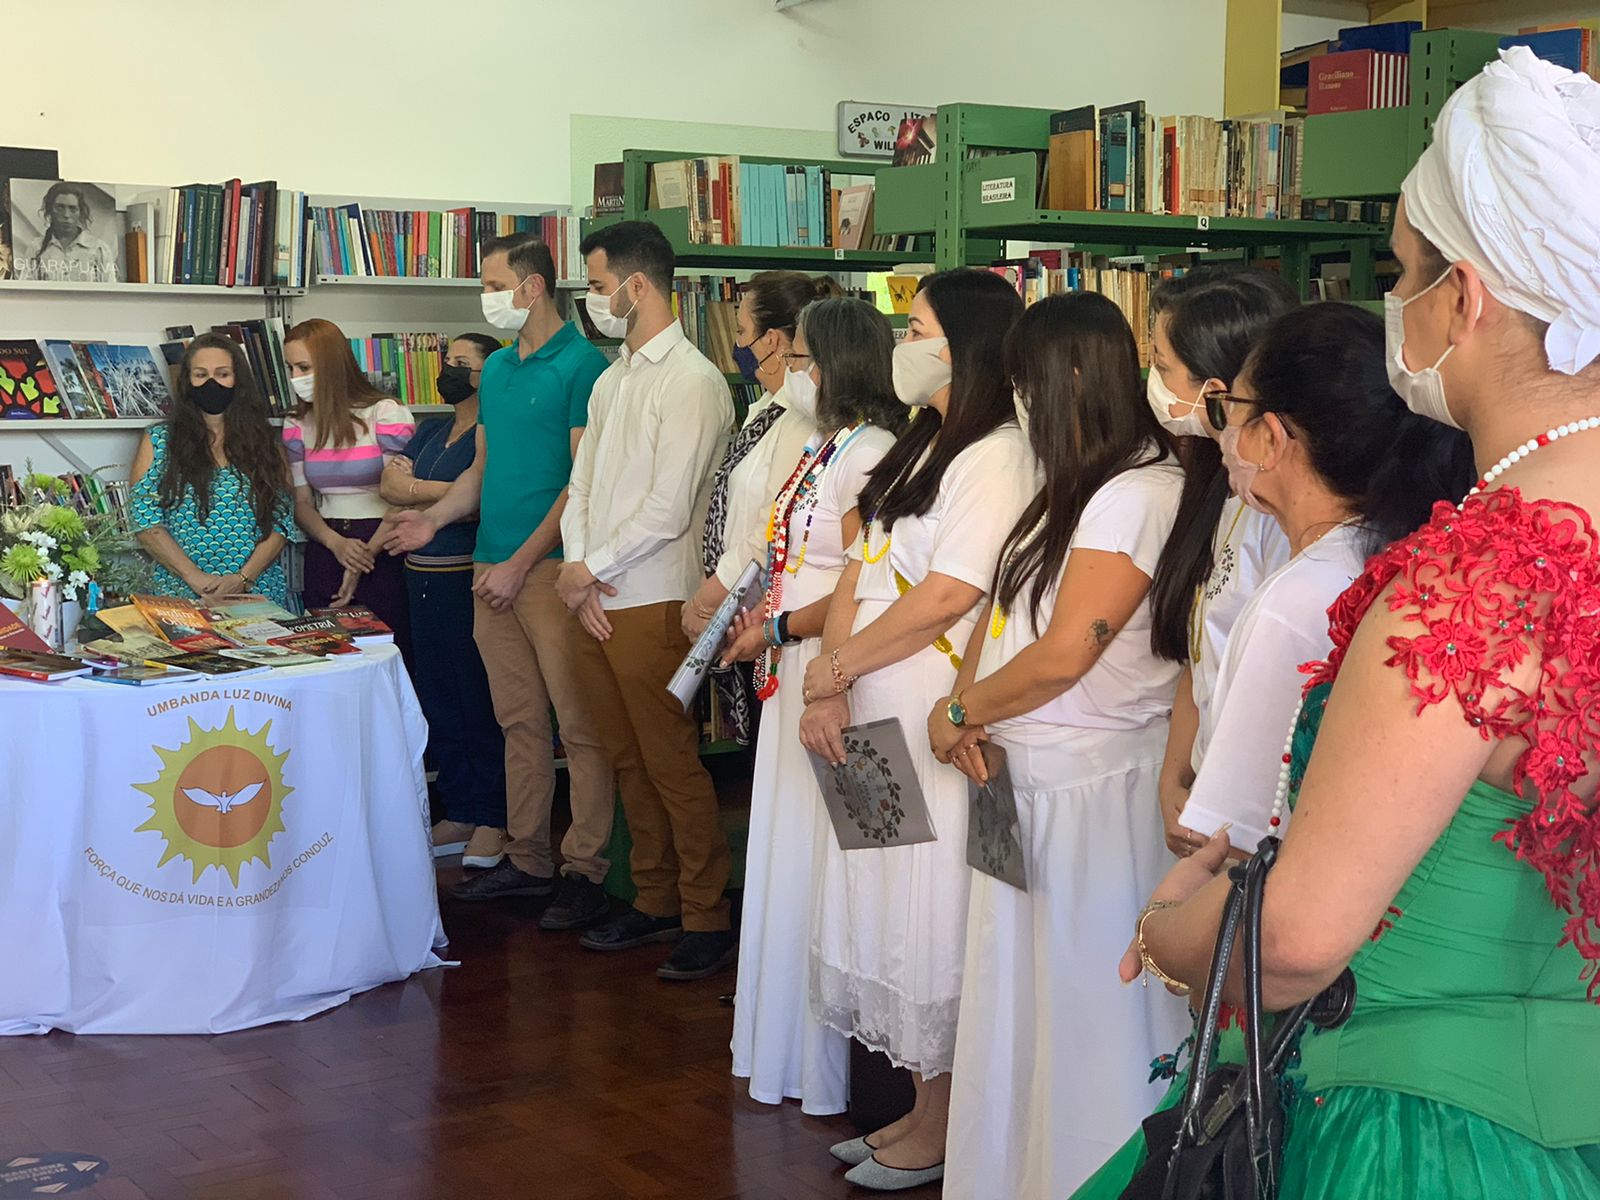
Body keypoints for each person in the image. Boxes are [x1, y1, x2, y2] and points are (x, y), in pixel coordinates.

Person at [1081, 49, 1600, 1199]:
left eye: (1405, 271)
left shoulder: (1475, 573)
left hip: (1426, 1125)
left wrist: (1169, 936)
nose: (1394, 301)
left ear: (1465, 298)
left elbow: (1296, 939)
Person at [920, 292, 1189, 1198]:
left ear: (1073, 375)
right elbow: (1006, 618)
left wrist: (961, 712)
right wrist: (968, 706)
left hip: (1092, 792)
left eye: (1026, 381)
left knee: (1084, 1019)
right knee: (1021, 1013)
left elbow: (1070, 651)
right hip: (1026, 776)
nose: (1018, 400)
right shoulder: (1074, 482)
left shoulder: (1139, 493)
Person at [798, 268, 1033, 1190]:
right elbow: (861, 567)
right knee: (882, 907)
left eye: (920, 325)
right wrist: (830, 683)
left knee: (935, 918)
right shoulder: (922, 443)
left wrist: (840, 669)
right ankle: (916, 1105)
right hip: (866, 708)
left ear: (965, 343)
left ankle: (944, 1125)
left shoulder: (998, 455)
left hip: (933, 717)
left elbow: (949, 595)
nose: (904, 342)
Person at [1175, 303, 1473, 850]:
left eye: (1231, 407)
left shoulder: (1297, 600)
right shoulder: (1397, 555)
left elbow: (1233, 836)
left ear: (1271, 437)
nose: (1224, 430)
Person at [384, 233, 615, 928]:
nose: (485, 298)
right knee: (517, 721)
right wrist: (433, 519)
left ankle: (585, 868)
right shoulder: (500, 370)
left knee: (578, 725)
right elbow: (482, 470)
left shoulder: (584, 366)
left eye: (492, 284)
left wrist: (520, 563)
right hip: (490, 567)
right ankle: (528, 856)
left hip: (548, 570)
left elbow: (581, 484)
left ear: (532, 286)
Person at [719, 297, 905, 1116]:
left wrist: (785, 629)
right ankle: (786, 1051)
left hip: (836, 670)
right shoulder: (827, 444)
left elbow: (871, 580)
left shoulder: (873, 454)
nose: (792, 370)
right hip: (797, 661)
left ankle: (837, 1069)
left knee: (830, 857)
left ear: (836, 363)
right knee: (789, 850)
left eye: (801, 357)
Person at [556, 220, 736, 980]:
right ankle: (655, 897)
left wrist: (588, 570)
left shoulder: (692, 380)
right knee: (626, 760)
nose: (592, 301)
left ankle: (705, 914)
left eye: (598, 286)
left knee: (671, 764)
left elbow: (669, 509)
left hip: (656, 597)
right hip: (595, 595)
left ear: (637, 285)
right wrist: (577, 568)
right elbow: (581, 486)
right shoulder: (611, 379)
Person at [1143, 269, 1297, 858]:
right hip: (1212, 795)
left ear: (1214, 390)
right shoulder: (1223, 488)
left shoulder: (1281, 512)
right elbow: (1201, 649)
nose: (1151, 383)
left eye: (1161, 367)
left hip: (1256, 813)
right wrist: (1174, 775)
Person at [685, 272, 841, 747]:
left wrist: (711, 597)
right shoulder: (764, 410)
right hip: (744, 611)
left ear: (771, 340)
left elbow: (772, 525)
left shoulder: (803, 421)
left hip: (771, 612)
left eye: (740, 330)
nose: (736, 343)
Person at [380, 332, 509, 870]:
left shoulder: (493, 432)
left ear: (487, 373)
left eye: (462, 362)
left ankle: (492, 817)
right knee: (438, 697)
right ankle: (458, 809)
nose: (449, 369)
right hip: (420, 579)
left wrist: (423, 490)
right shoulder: (432, 429)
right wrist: (452, 491)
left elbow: (488, 496)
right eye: (446, 359)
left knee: (477, 698)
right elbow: (388, 486)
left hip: (465, 580)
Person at [129, 334, 295, 604]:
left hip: (257, 592)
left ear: (238, 380)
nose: (211, 383)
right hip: (181, 593)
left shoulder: (266, 444)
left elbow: (282, 520)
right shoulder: (159, 441)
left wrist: (244, 578)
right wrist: (195, 577)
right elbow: (144, 519)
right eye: (201, 374)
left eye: (222, 374)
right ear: (187, 381)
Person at [282, 318, 413, 653]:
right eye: (290, 368)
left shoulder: (385, 413)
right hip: (326, 545)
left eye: (304, 367)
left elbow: (401, 497)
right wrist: (336, 544)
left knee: (389, 650)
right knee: (327, 652)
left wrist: (365, 554)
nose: (296, 378)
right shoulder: (296, 423)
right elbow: (302, 504)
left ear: (331, 364)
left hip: (384, 545)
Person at [26, 182, 117, 282]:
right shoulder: (36, 248)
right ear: (50, 210)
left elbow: (110, 288)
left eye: (73, 209)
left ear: (80, 212)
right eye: (60, 208)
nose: (66, 215)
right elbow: (26, 288)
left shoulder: (98, 249)